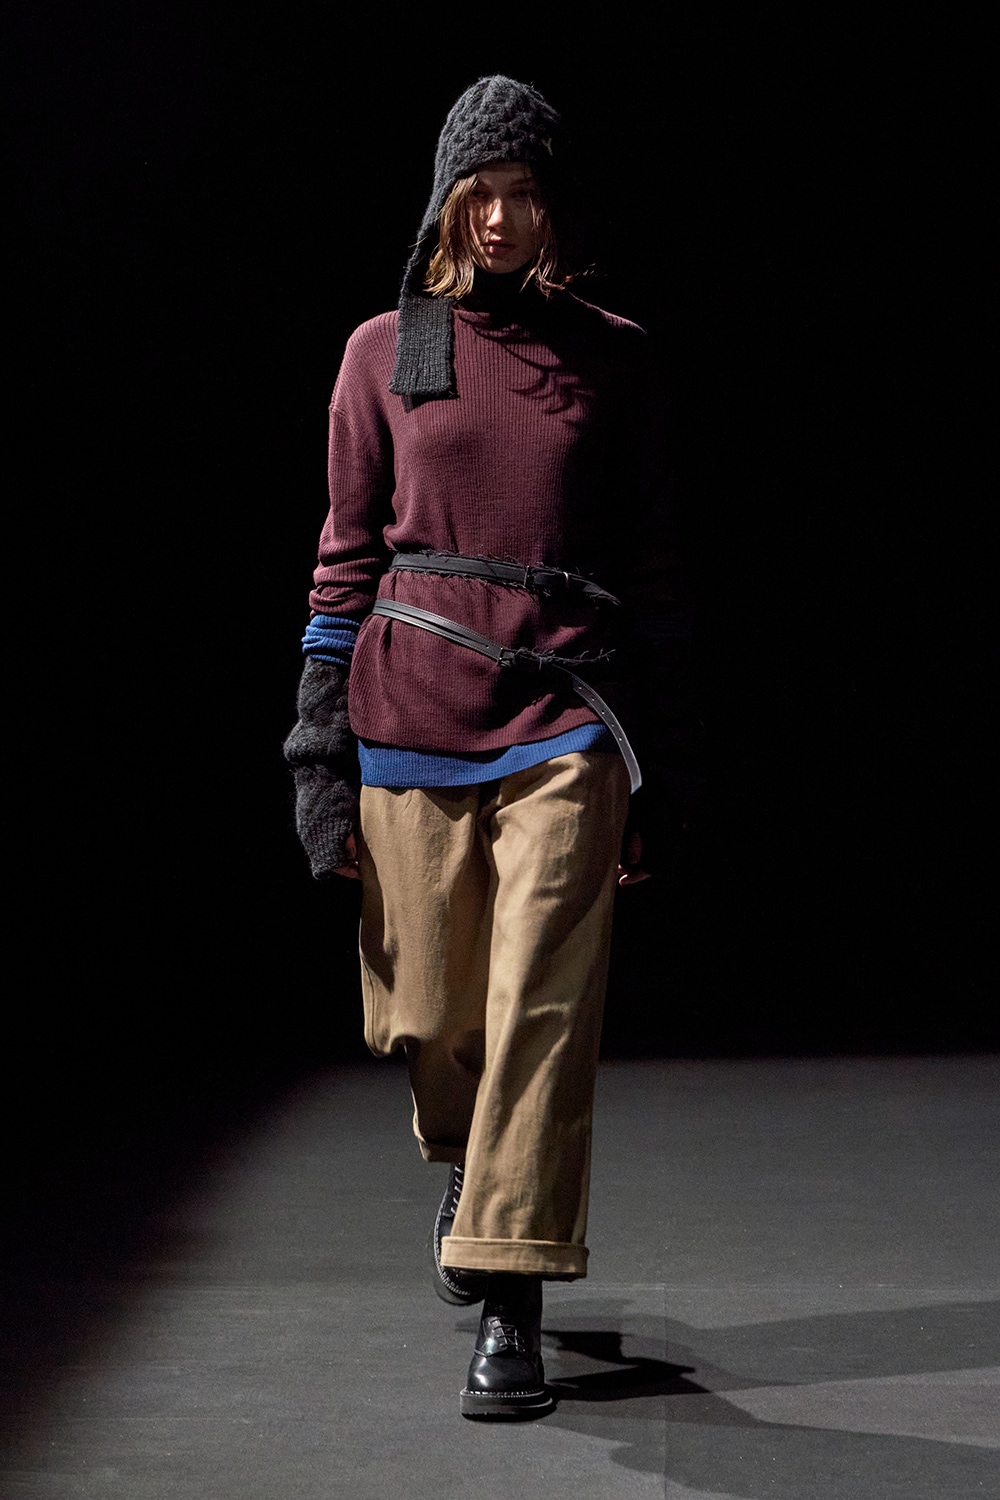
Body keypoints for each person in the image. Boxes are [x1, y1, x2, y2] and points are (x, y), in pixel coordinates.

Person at [284, 75, 687, 1419]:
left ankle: (511, 1299)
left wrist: (656, 762)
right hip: (408, 714)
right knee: (432, 1015)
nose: (504, 219)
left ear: (553, 204)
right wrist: (316, 756)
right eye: (481, 195)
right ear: (447, 205)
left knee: (540, 1014)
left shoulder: (610, 357)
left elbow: (649, 573)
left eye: (525, 193)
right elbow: (343, 562)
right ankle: (470, 1169)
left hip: (566, 716)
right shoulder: (387, 351)